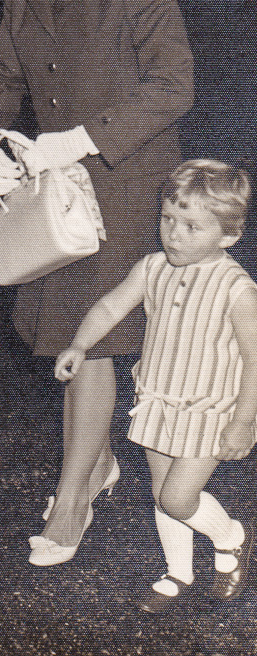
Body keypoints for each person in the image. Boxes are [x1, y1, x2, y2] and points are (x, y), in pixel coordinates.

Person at [0, 0, 194, 566]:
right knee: (71, 336)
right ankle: (93, 467)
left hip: (126, 179)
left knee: (90, 343)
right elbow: (5, 71)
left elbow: (175, 85)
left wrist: (78, 139)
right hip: (55, 188)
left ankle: (72, 502)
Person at [56, 160, 257, 610]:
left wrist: (244, 422)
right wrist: (80, 344)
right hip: (158, 401)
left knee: (179, 497)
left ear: (228, 236)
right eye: (168, 219)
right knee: (161, 495)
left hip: (212, 411)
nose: (174, 235)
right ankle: (178, 572)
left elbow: (255, 360)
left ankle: (232, 537)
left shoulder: (238, 290)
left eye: (191, 226)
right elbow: (110, 307)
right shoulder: (152, 268)